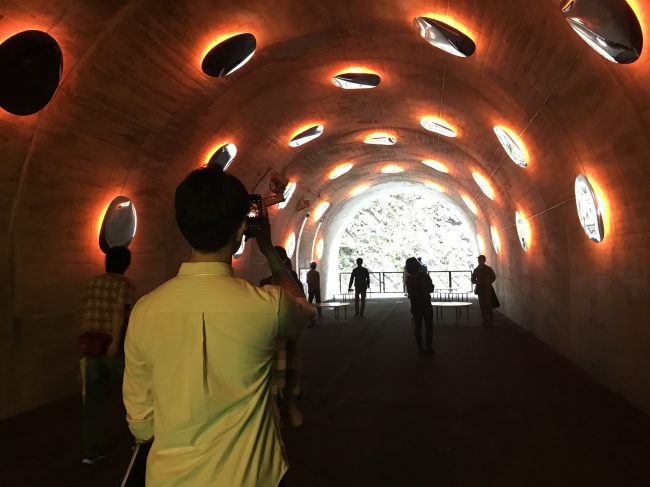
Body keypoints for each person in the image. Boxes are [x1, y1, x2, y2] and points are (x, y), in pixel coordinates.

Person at [123, 166, 315, 487]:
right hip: (251, 476)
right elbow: (305, 311)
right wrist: (267, 247)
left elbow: (142, 425)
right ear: (243, 228)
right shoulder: (268, 305)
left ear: (183, 225)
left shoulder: (145, 311)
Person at [80, 246, 135, 465]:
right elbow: (119, 311)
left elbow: (85, 310)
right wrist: (114, 341)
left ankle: (90, 451)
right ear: (125, 264)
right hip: (114, 348)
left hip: (92, 346)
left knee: (92, 401)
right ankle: (138, 439)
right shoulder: (125, 284)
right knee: (132, 395)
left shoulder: (92, 282)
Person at [260, 246, 305, 429]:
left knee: (279, 371)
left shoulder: (270, 282)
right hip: (283, 334)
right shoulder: (291, 282)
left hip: (276, 334)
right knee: (286, 370)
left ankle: (283, 408)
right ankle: (286, 408)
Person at [405, 257, 435, 356]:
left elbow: (410, 293)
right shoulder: (425, 276)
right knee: (429, 327)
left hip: (415, 305)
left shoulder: (409, 279)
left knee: (418, 327)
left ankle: (420, 348)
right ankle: (429, 347)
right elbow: (430, 289)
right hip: (426, 304)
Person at [471, 255, 497, 325]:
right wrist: (477, 282)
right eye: (479, 260)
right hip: (480, 288)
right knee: (482, 304)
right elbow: (473, 279)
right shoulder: (476, 270)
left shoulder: (488, 269)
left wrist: (488, 281)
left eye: (481, 260)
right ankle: (485, 318)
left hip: (487, 288)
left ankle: (490, 315)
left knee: (488, 303)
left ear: (484, 261)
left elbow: (493, 277)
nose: (479, 261)